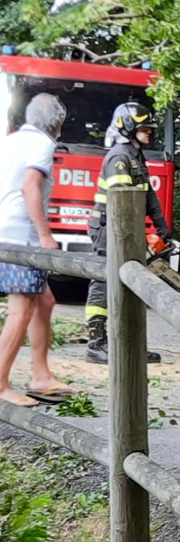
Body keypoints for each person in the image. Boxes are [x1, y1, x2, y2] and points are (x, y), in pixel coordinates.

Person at [0, 93, 78, 406]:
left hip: (5, 231)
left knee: (45, 300)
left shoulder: (11, 140)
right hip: (23, 237)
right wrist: (46, 235)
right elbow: (30, 186)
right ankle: (1, 383)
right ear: (57, 122)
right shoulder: (43, 144)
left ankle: (42, 376)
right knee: (23, 308)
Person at [85, 102, 169, 364]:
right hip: (109, 229)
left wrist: (162, 228)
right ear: (129, 127)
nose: (150, 132)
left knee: (130, 285)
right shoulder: (119, 158)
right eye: (144, 128)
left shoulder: (135, 156)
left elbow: (148, 196)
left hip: (125, 231)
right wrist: (141, 236)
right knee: (103, 281)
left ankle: (128, 344)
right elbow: (123, 204)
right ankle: (96, 343)